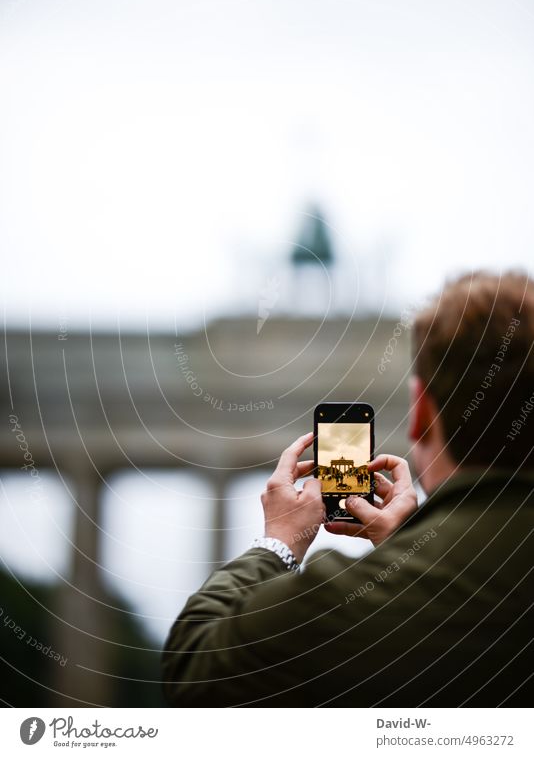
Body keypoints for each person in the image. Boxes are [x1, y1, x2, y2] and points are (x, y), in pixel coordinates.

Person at [162, 272, 534, 707]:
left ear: (420, 414)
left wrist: (280, 542)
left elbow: (195, 671)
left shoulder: (337, 605)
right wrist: (408, 549)